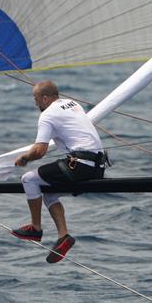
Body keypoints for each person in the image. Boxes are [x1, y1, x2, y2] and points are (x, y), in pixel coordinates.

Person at [11, 80, 108, 263]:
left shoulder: (47, 115)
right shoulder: (73, 104)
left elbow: (40, 151)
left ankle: (36, 228)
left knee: (29, 179)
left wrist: (24, 158)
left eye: (36, 98)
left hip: (80, 166)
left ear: (45, 98)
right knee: (49, 193)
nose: (35, 103)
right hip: (98, 168)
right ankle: (64, 236)